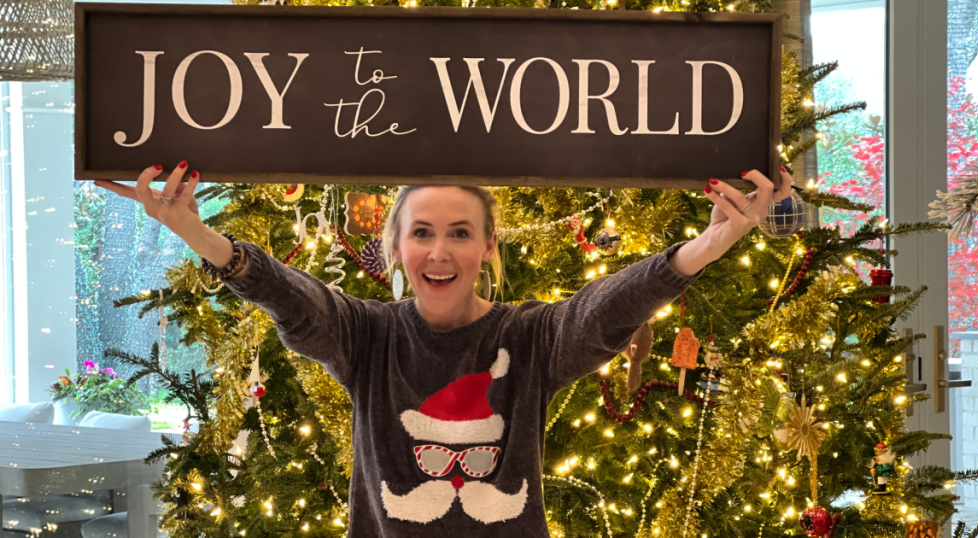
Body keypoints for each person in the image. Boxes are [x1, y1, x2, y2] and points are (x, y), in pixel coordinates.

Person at [95, 161, 792, 537]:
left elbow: (602, 313)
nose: (439, 250)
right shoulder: (366, 335)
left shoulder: (529, 338)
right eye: (422, 232)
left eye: (460, 232)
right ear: (396, 246)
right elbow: (291, 299)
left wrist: (704, 247)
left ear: (488, 247)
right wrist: (197, 233)